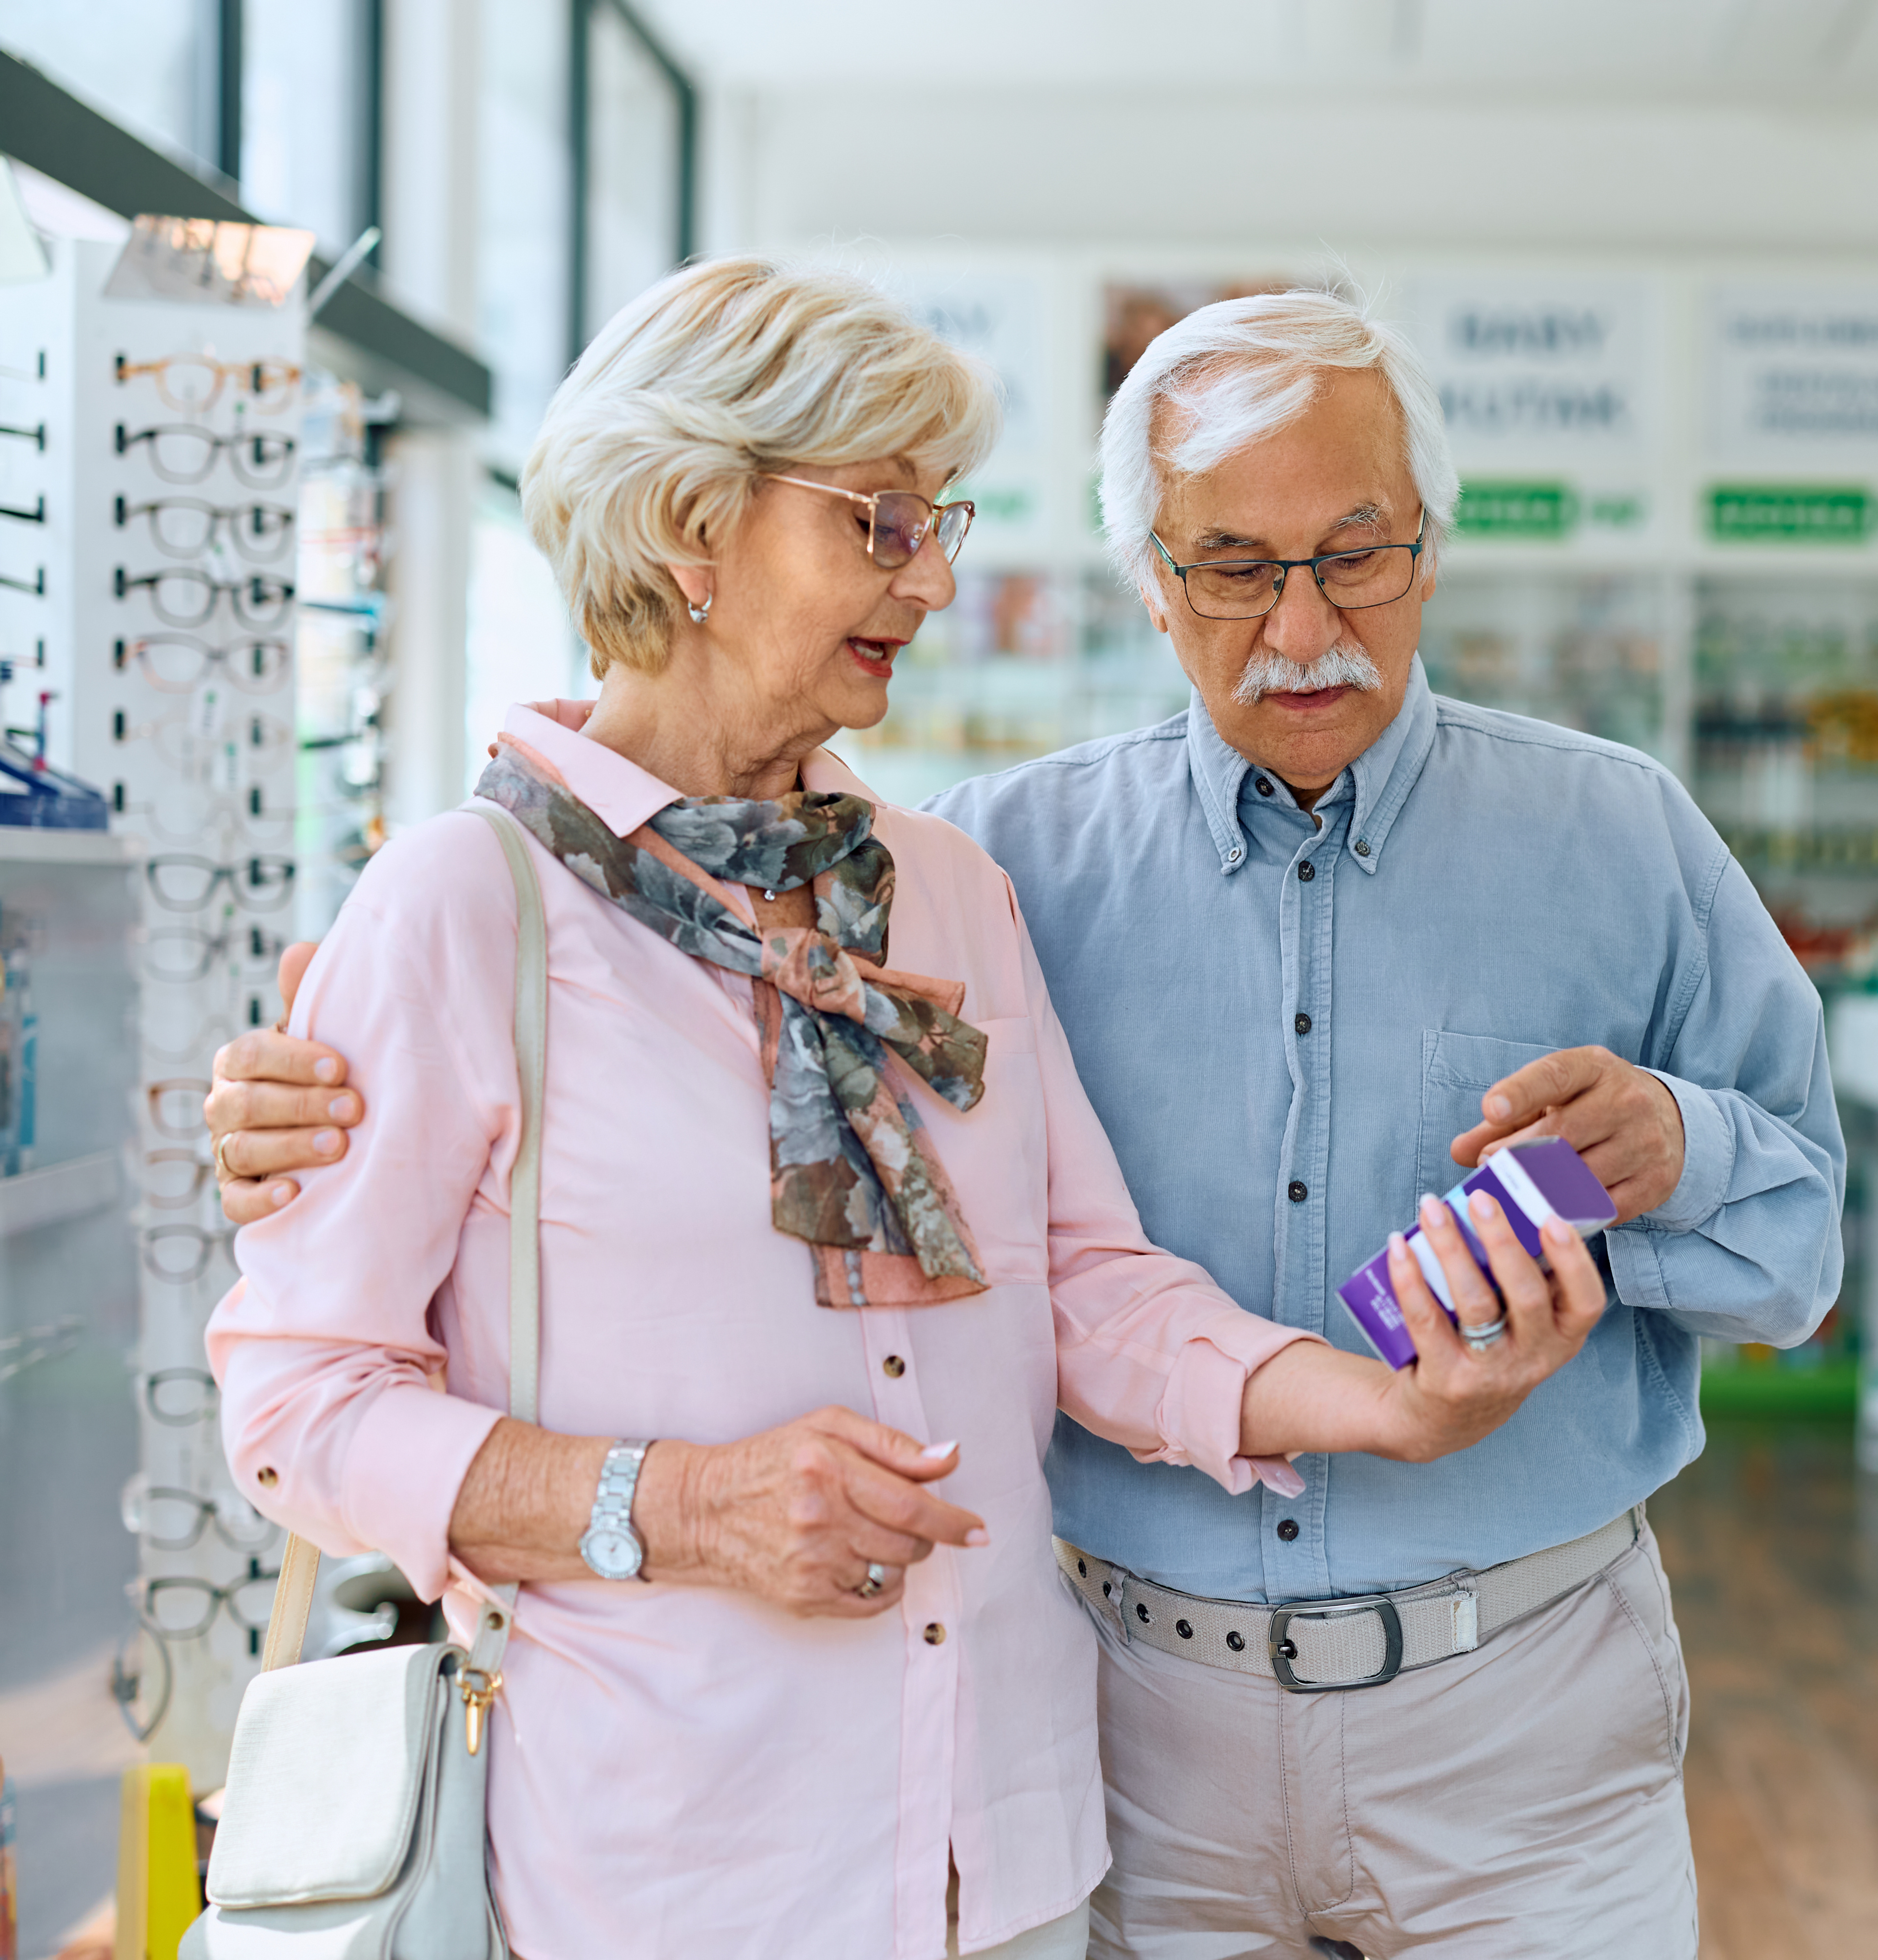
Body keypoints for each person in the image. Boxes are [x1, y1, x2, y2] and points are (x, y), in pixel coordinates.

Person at [202, 261, 1608, 1960]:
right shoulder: (461, 910)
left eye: (937, 521)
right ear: (689, 526)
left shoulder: (943, 892)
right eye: (880, 521)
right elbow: (300, 1404)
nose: (934, 576)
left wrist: (1391, 1407)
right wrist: (681, 1504)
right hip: (672, 1873)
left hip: (1005, 1850)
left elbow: (1082, 1286)